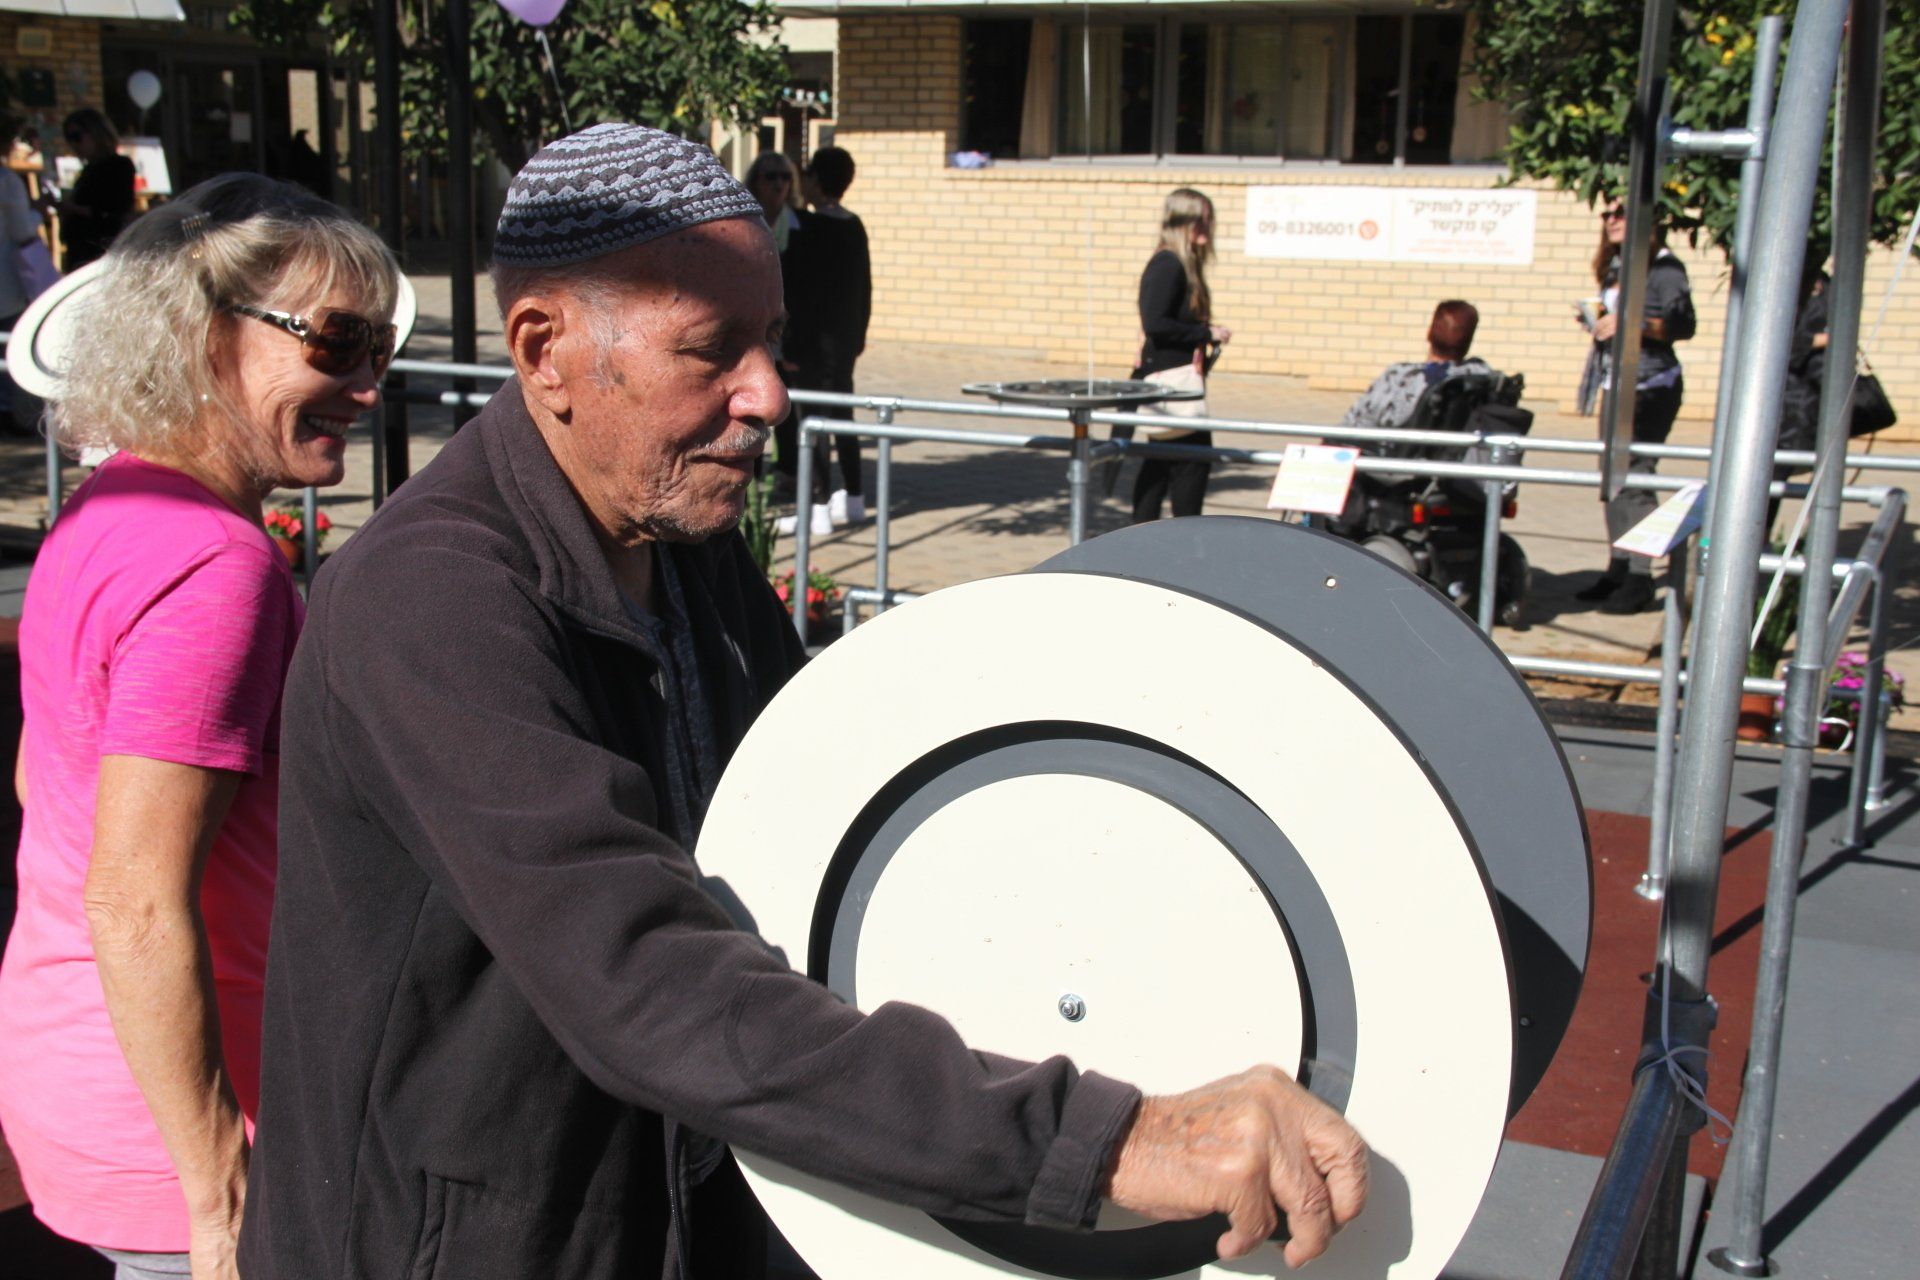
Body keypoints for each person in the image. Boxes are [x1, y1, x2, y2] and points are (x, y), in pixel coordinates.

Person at [238, 123, 1367, 1280]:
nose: (770, 392)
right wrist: (1118, 1140)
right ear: (544, 351)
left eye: (770, 338)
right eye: (710, 349)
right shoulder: (428, 602)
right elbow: (644, 978)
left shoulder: (685, 541)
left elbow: (837, 824)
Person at [0, 174, 398, 1280]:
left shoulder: (112, 506)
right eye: (336, 341)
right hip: (185, 1137)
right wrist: (219, 1194)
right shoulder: (215, 569)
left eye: (378, 347)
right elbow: (131, 896)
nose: (367, 385)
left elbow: (43, 779)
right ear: (203, 334)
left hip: (82, 1077)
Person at [1573, 200, 1696, 615]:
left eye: (1621, 212)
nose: (1611, 220)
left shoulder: (1665, 269)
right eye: (1606, 214)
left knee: (1636, 476)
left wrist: (1631, 325)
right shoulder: (1617, 265)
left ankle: (1640, 575)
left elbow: (1683, 325)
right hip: (1615, 379)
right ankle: (1620, 565)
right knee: (1612, 477)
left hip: (1649, 384)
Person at [782, 146, 872, 529]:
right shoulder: (854, 226)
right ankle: (854, 498)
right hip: (844, 340)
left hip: (810, 343)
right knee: (842, 414)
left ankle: (817, 507)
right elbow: (865, 288)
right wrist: (859, 335)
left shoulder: (806, 226)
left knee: (811, 420)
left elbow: (797, 291)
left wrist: (788, 344)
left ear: (816, 180)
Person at [1131, 188, 1230, 523]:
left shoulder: (1180, 264)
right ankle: (1185, 536)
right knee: (1190, 461)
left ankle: (1144, 535)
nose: (1206, 228)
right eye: (1199, 220)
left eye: (1208, 220)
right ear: (1181, 222)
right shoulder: (1168, 264)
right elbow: (1155, 323)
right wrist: (1206, 334)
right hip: (1172, 381)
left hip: (1175, 378)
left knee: (1160, 462)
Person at [1339, 300, 1490, 433]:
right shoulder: (1481, 380)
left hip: (1395, 452)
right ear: (1469, 341)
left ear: (1429, 333)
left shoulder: (1399, 378)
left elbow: (1353, 425)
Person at [40, 108, 137, 272]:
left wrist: (73, 208)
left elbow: (114, 209)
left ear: (96, 133)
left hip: (102, 248)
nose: (73, 144)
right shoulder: (89, 169)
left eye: (77, 137)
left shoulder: (118, 166)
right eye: (69, 139)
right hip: (81, 249)